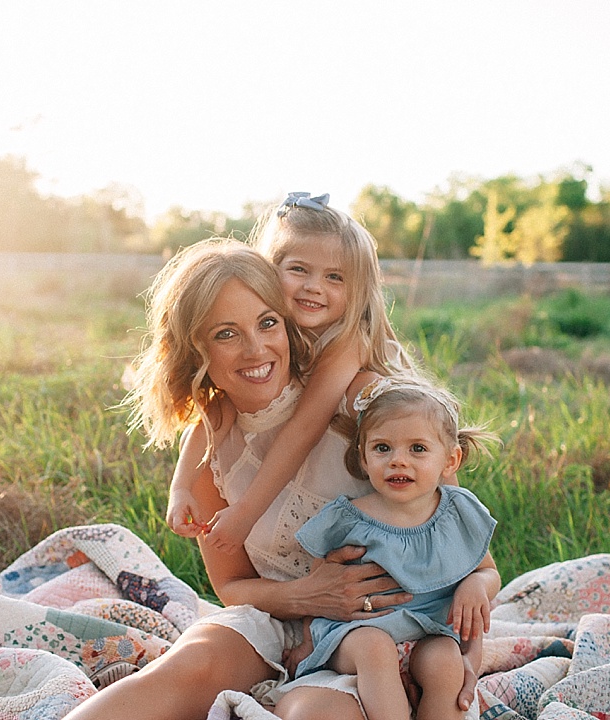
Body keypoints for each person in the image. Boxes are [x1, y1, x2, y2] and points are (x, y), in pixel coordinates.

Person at [63, 237, 478, 720]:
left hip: (382, 628)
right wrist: (306, 596)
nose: (256, 348)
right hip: (275, 621)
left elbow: (453, 525)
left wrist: (465, 652)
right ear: (195, 349)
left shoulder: (358, 401)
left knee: (319, 715)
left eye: (267, 323)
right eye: (226, 333)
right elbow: (233, 586)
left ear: (288, 323)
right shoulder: (209, 447)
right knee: (190, 665)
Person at [166, 192, 416, 555]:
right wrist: (180, 486)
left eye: (335, 277)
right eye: (299, 269)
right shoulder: (286, 334)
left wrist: (246, 514)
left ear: (357, 290)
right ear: (270, 270)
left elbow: (305, 428)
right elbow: (214, 413)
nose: (314, 287)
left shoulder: (345, 344)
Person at [282, 375, 500, 720]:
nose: (399, 460)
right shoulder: (349, 519)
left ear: (450, 460)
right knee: (375, 648)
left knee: (445, 662)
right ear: (364, 459)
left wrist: (476, 584)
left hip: (430, 629)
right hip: (355, 635)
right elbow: (318, 584)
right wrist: (307, 641)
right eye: (383, 448)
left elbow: (486, 570)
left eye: (418, 448)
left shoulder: (457, 510)